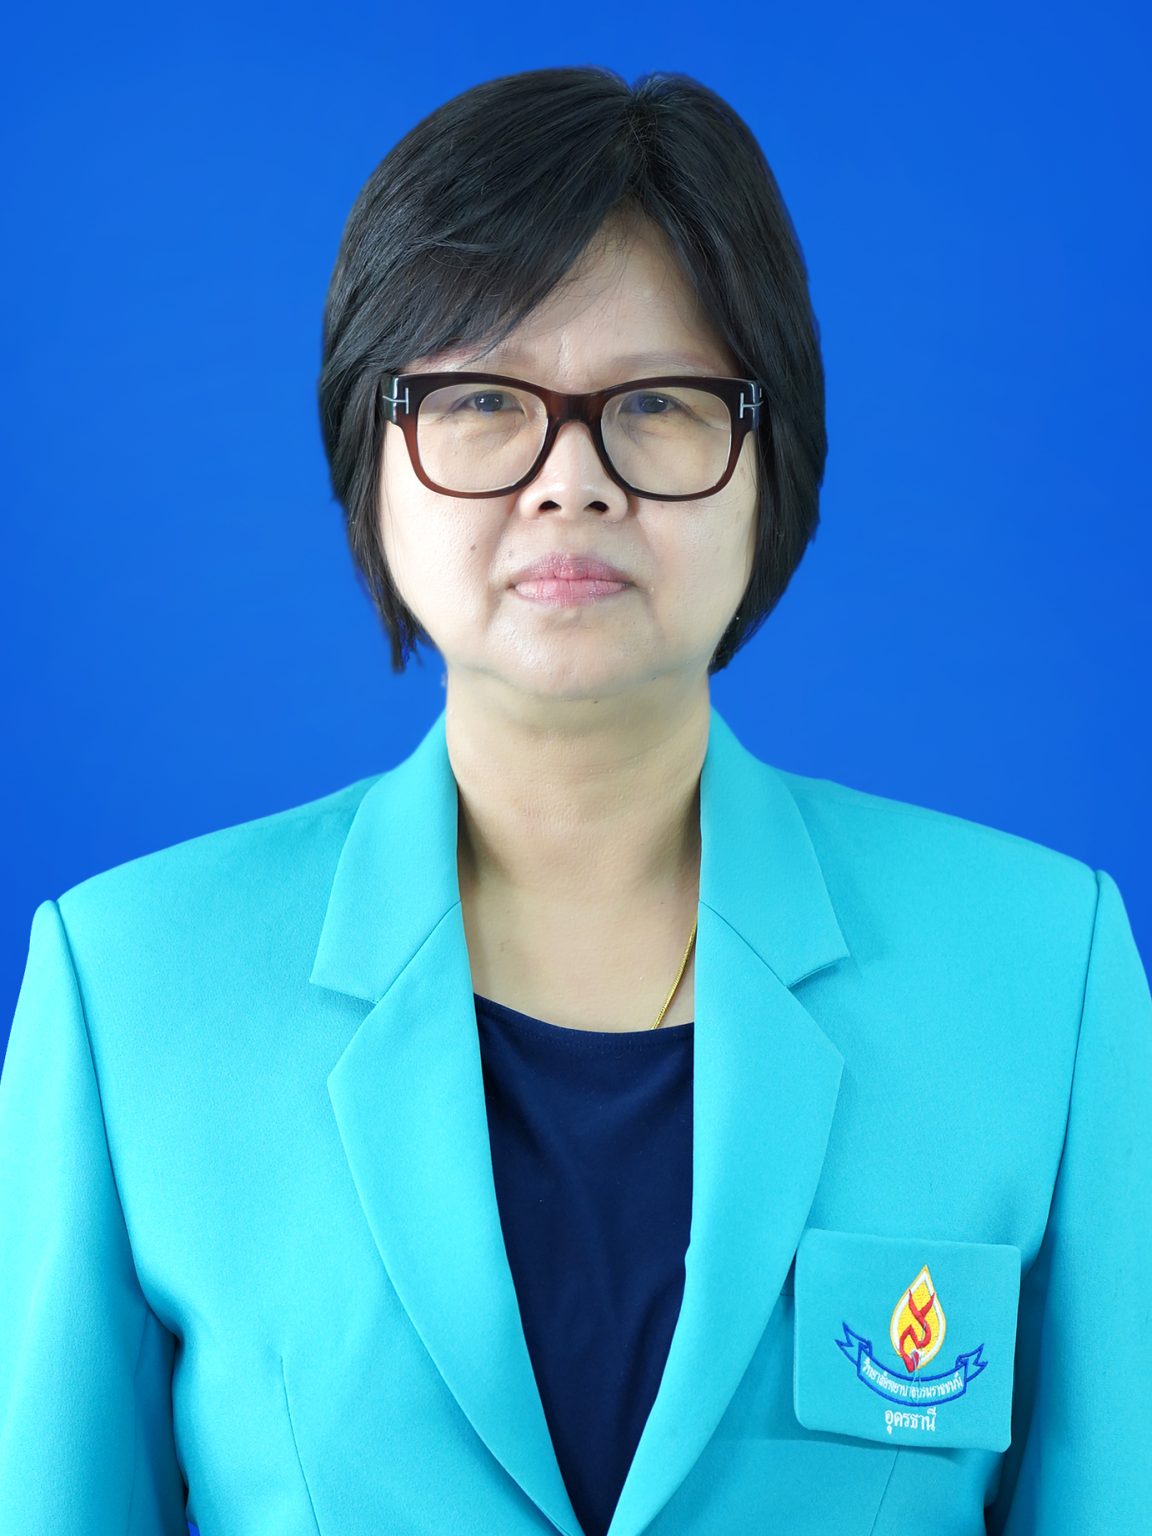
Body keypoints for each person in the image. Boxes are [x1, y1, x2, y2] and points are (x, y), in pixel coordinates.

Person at [1, 64, 1149, 1536]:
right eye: (483, 400)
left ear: (771, 457)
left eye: (656, 404)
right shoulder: (132, 988)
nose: (571, 482)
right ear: (371, 453)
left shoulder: (1043, 975)